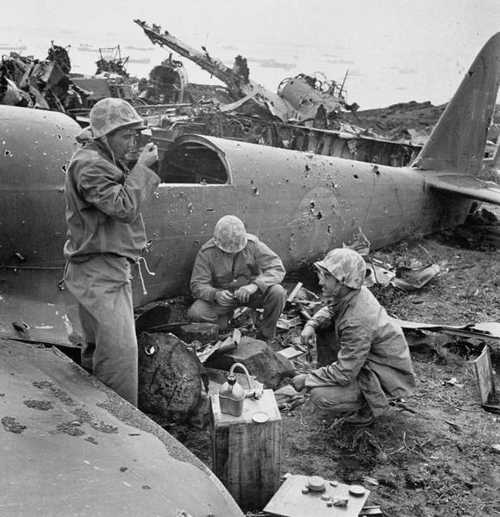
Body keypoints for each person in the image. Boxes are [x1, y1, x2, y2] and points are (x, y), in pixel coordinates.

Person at [63, 97, 160, 406]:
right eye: (125, 135)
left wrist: (133, 166)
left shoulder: (98, 156)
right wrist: (142, 169)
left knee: (99, 351)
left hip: (100, 271)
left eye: (135, 135)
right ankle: (122, 435)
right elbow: (122, 206)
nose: (132, 142)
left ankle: (96, 418)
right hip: (100, 272)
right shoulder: (90, 165)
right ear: (105, 135)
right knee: (120, 358)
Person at [292, 248, 416, 425]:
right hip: (368, 360)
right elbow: (332, 308)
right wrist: (312, 324)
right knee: (323, 326)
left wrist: (308, 378)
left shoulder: (356, 321)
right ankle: (333, 381)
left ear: (343, 281)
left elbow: (345, 373)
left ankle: (368, 406)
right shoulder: (353, 292)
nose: (320, 281)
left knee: (319, 395)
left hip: (383, 375)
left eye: (326, 277)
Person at [188, 215, 287, 340]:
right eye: (226, 251)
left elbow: (277, 268)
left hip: (252, 293)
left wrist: (255, 285)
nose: (232, 252)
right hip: (223, 298)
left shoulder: (252, 244)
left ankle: (265, 336)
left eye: (237, 250)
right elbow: (197, 284)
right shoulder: (207, 252)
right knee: (196, 313)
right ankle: (226, 324)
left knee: (277, 293)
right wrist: (215, 294)